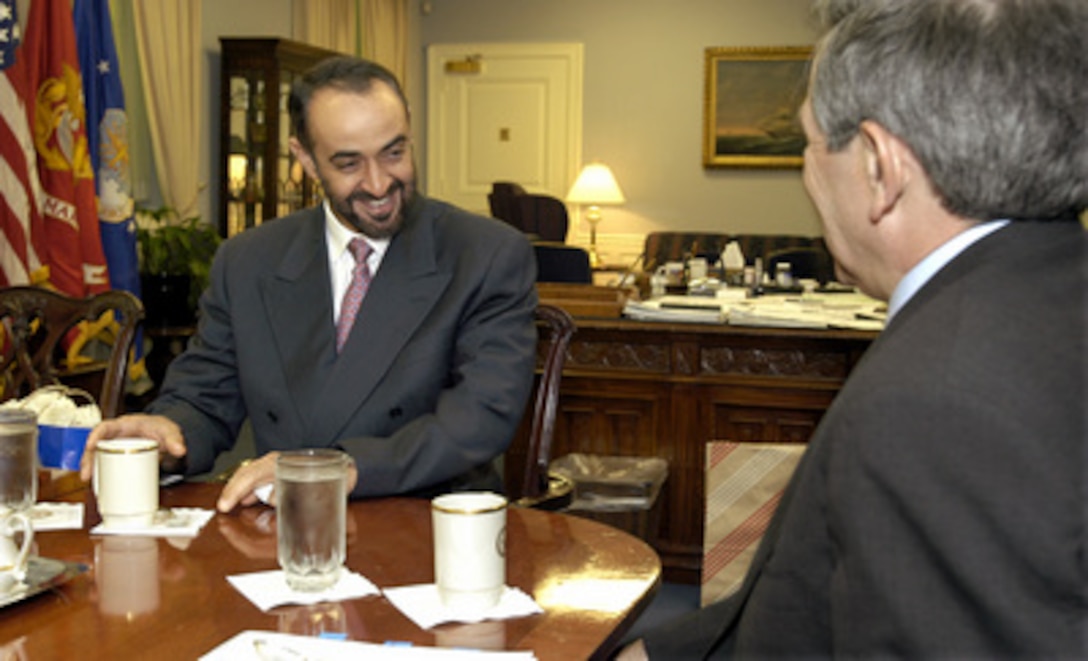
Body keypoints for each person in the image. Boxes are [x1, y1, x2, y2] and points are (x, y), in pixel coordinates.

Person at [620, 0, 1087, 658]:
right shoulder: (1043, 292)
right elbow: (812, 586)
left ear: (878, 167)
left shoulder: (936, 401)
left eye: (808, 144)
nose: (805, 173)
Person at [81, 56, 539, 513]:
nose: (379, 184)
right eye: (348, 163)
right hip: (284, 535)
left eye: (394, 153)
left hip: (426, 529)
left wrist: (340, 466)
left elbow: (479, 418)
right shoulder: (248, 261)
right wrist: (166, 432)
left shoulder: (485, 254)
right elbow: (204, 396)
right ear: (304, 159)